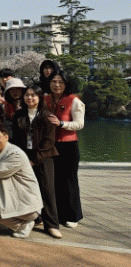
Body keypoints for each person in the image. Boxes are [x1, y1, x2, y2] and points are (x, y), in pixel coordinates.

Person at [0, 124, 43, 238]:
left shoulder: (15, 154)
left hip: (26, 205)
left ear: (6, 137)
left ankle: (22, 225)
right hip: (11, 198)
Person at [12, 85, 61, 238]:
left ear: (40, 98)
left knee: (47, 190)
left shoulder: (47, 115)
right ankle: (34, 219)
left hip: (44, 157)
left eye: (33, 95)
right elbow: (16, 138)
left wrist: (35, 159)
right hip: (25, 156)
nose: (30, 98)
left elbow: (49, 141)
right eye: (27, 95)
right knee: (26, 189)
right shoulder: (19, 115)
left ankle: (51, 225)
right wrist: (21, 158)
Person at [45, 71, 85, 228]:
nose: (57, 85)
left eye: (61, 82)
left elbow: (79, 124)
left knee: (69, 180)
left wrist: (61, 124)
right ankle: (58, 214)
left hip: (68, 145)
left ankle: (73, 216)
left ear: (66, 84)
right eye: (53, 81)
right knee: (54, 180)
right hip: (50, 145)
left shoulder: (74, 100)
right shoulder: (46, 99)